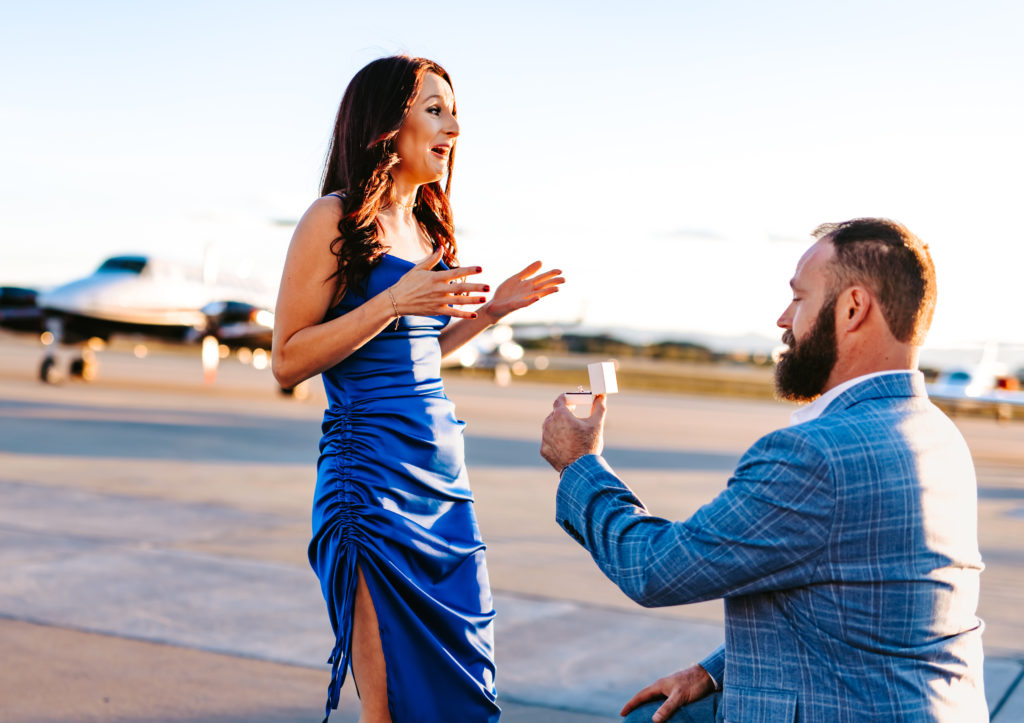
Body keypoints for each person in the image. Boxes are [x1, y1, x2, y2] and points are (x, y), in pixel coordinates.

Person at [540, 218, 987, 722]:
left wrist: (580, 463)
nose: (783, 319)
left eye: (798, 299)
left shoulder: (818, 454)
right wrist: (714, 672)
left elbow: (654, 569)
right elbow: (862, 612)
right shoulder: (938, 434)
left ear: (852, 308)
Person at [273, 55, 563, 723]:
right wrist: (393, 301)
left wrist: (489, 314)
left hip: (442, 486)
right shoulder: (333, 219)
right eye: (435, 109)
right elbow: (287, 361)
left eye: (453, 110)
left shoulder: (429, 230)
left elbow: (417, 352)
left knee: (462, 694)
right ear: (383, 126)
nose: (453, 126)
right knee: (393, 704)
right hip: (370, 485)